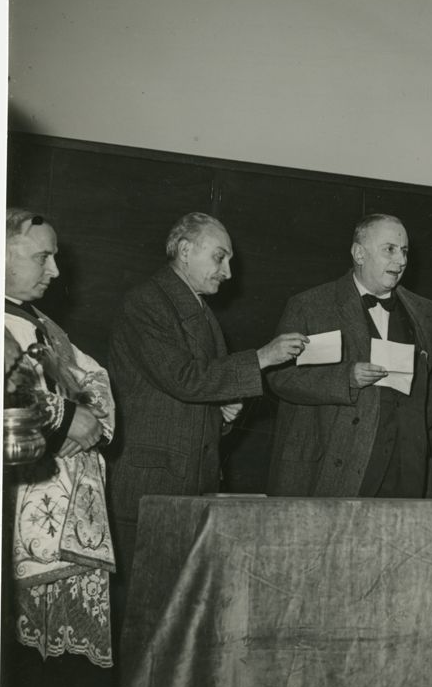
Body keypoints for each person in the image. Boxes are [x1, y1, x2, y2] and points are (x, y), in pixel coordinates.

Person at [108, 212, 307, 559]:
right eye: (220, 257)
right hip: (152, 485)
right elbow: (184, 379)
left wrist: (222, 414)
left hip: (188, 485)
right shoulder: (146, 302)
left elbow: (193, 391)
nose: (228, 272)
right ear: (185, 251)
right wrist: (262, 357)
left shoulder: (200, 311)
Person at [3, 208, 117, 687]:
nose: (54, 271)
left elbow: (95, 381)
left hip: (68, 503)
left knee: (61, 675)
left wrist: (83, 418)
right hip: (17, 502)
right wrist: (66, 419)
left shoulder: (43, 322)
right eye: (42, 257)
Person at [267, 214, 432, 498]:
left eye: (404, 251)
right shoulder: (310, 305)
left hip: (407, 465)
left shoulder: (425, 311)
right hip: (338, 462)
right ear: (359, 253)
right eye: (390, 249)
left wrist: (420, 414)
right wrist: (346, 379)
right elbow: (279, 376)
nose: (401, 260)